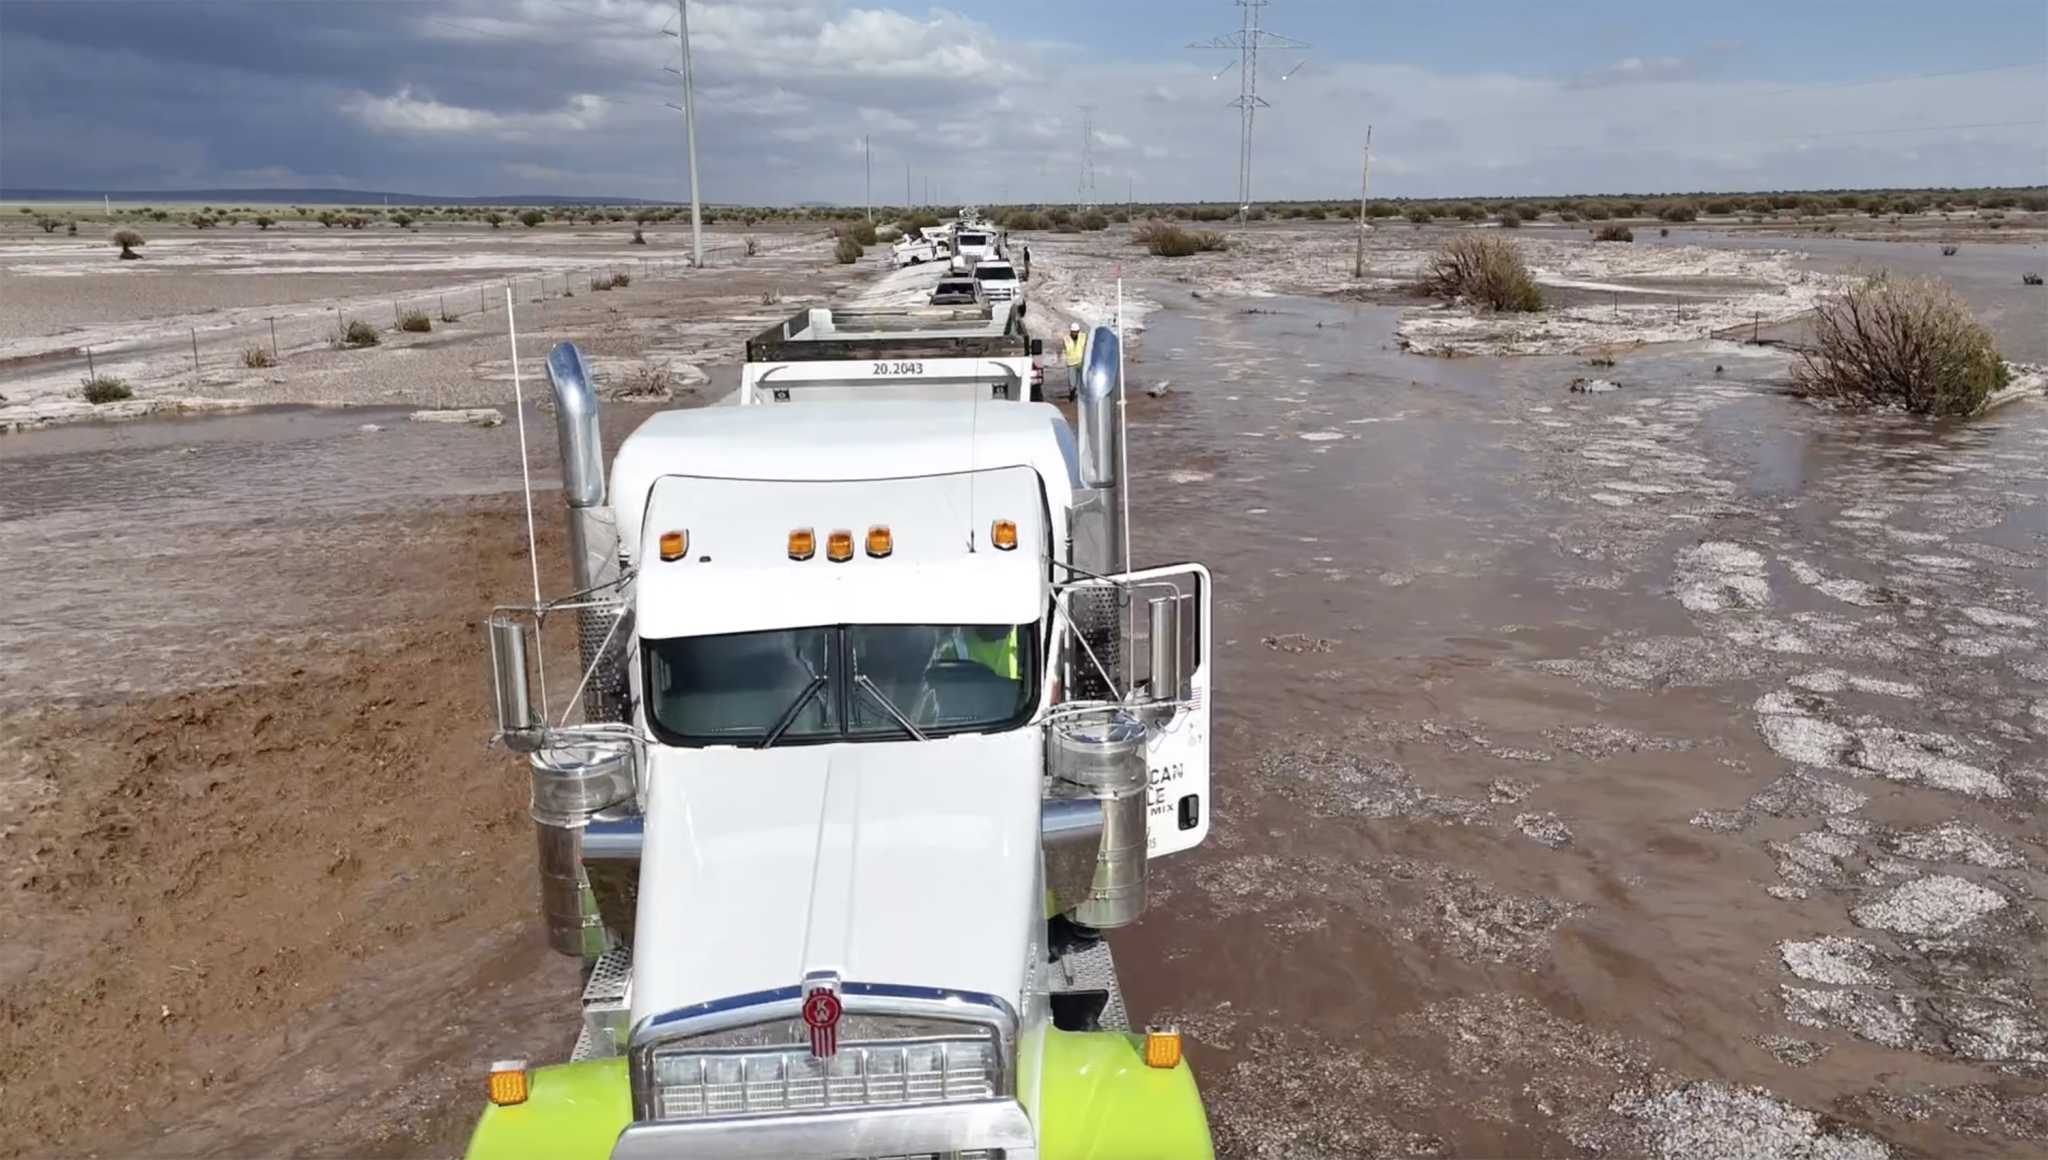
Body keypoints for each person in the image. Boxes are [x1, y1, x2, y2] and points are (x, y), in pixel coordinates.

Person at [1062, 322, 1085, 401]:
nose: (1075, 333)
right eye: (1073, 332)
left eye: (1076, 332)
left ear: (1078, 331)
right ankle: (1072, 394)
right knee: (1072, 383)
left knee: (1081, 381)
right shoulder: (1066, 339)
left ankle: (1080, 397)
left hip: (1081, 362)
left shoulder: (1083, 337)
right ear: (1071, 331)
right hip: (1071, 363)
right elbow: (1064, 349)